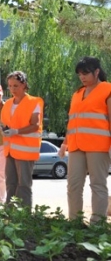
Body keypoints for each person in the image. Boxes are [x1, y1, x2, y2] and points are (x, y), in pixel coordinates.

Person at [58, 57, 111, 223]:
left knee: (97, 185)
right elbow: (73, 121)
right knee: (73, 186)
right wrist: (64, 144)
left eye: (86, 73)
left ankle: (97, 224)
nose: (82, 77)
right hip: (75, 146)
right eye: (80, 74)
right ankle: (75, 222)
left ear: (97, 71)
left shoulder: (107, 89)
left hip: (98, 146)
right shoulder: (77, 94)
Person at [0, 71, 43, 208]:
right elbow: (2, 122)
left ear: (24, 85)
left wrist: (16, 131)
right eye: (10, 86)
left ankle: (24, 216)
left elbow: (35, 125)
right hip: (10, 150)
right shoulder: (8, 104)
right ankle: (10, 213)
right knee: (10, 183)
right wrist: (0, 127)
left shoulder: (34, 102)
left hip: (26, 151)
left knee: (24, 185)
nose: (12, 89)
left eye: (16, 86)